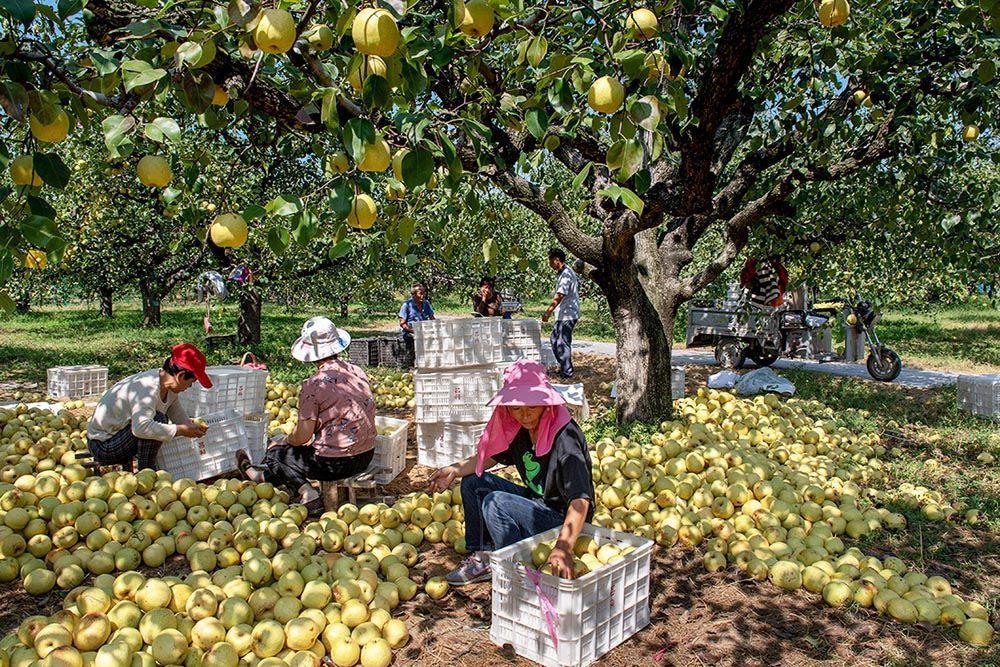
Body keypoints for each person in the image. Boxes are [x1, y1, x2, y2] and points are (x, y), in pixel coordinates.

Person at [429, 360, 594, 584]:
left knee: (495, 503)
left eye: (532, 406)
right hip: (538, 504)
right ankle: (484, 556)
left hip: (562, 519)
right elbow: (487, 459)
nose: (524, 414)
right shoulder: (520, 430)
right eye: (516, 407)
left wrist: (563, 546)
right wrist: (454, 470)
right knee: (472, 483)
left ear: (546, 403)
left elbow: (580, 499)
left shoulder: (566, 437)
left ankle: (515, 565)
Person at [236, 316, 376, 513]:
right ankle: (263, 478)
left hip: (334, 464)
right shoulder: (357, 372)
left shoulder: (314, 385)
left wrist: (282, 440)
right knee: (291, 454)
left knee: (276, 454)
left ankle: (307, 494)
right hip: (366, 455)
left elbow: (302, 436)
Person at [87, 343, 212, 471]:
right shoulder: (148, 388)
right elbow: (140, 428)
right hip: (102, 445)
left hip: (120, 436)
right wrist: (180, 430)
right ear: (180, 376)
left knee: (158, 419)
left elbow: (179, 418)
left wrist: (192, 427)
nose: (190, 387)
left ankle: (148, 473)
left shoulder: (169, 389)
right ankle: (147, 472)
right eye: (191, 382)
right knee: (157, 419)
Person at [541, 248, 580, 378]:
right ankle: (564, 365)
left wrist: (547, 312)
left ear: (557, 260)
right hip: (563, 314)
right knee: (554, 340)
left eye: (550, 260)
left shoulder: (566, 274)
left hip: (568, 314)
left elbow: (559, 296)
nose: (549, 264)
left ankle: (567, 372)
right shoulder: (563, 273)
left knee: (562, 342)